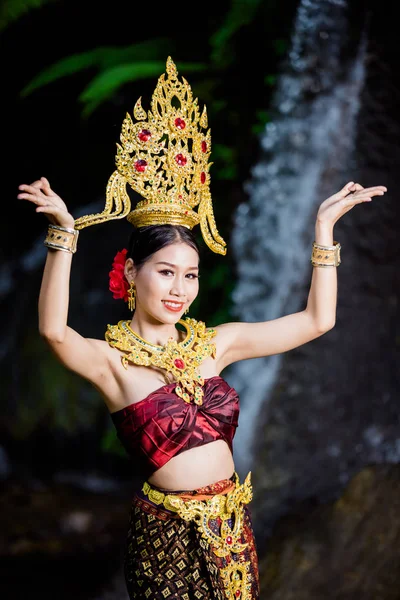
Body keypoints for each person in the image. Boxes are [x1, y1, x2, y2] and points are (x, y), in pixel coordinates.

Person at [17, 56, 387, 600]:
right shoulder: (113, 362)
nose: (179, 289)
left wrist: (324, 232)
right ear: (130, 272)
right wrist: (64, 237)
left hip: (232, 532)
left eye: (189, 275)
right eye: (165, 272)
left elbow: (318, 320)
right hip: (164, 538)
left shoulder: (218, 342)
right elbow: (54, 332)